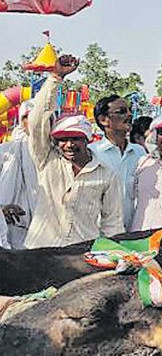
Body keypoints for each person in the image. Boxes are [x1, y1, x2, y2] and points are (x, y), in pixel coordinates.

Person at [26, 55, 124, 248]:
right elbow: (37, 121)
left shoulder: (107, 175)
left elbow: (113, 223)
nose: (68, 145)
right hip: (39, 255)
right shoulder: (47, 160)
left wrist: (112, 255)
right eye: (62, 140)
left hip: (81, 257)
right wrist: (55, 78)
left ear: (87, 140)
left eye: (75, 139)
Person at [89, 95, 146, 231]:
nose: (129, 114)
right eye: (121, 111)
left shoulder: (139, 153)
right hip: (99, 235)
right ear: (103, 120)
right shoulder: (92, 153)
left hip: (132, 233)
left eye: (129, 110)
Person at [0, 100, 38, 248]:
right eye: (30, 117)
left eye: (41, 117)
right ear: (22, 121)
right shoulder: (5, 152)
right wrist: (2, 209)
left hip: (47, 231)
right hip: (9, 229)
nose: (36, 122)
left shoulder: (61, 154)